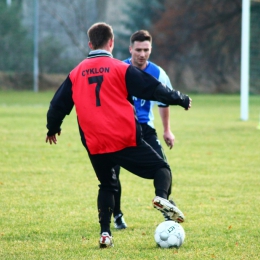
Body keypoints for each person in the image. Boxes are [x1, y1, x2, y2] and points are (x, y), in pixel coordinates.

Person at [45, 22, 192, 248]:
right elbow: (153, 89)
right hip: (123, 138)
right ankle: (161, 196)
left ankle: (105, 233)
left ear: (90, 44)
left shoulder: (75, 73)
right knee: (161, 169)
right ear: (111, 43)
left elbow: (58, 105)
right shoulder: (119, 68)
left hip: (94, 142)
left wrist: (52, 128)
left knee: (107, 185)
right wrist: (180, 99)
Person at [113, 30, 177, 230]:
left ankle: (165, 206)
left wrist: (167, 130)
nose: (142, 54)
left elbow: (164, 101)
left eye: (146, 50)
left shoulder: (158, 73)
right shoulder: (119, 69)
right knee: (112, 174)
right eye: (138, 50)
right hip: (119, 129)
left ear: (151, 50)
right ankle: (117, 215)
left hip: (145, 129)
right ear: (130, 49)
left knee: (163, 168)